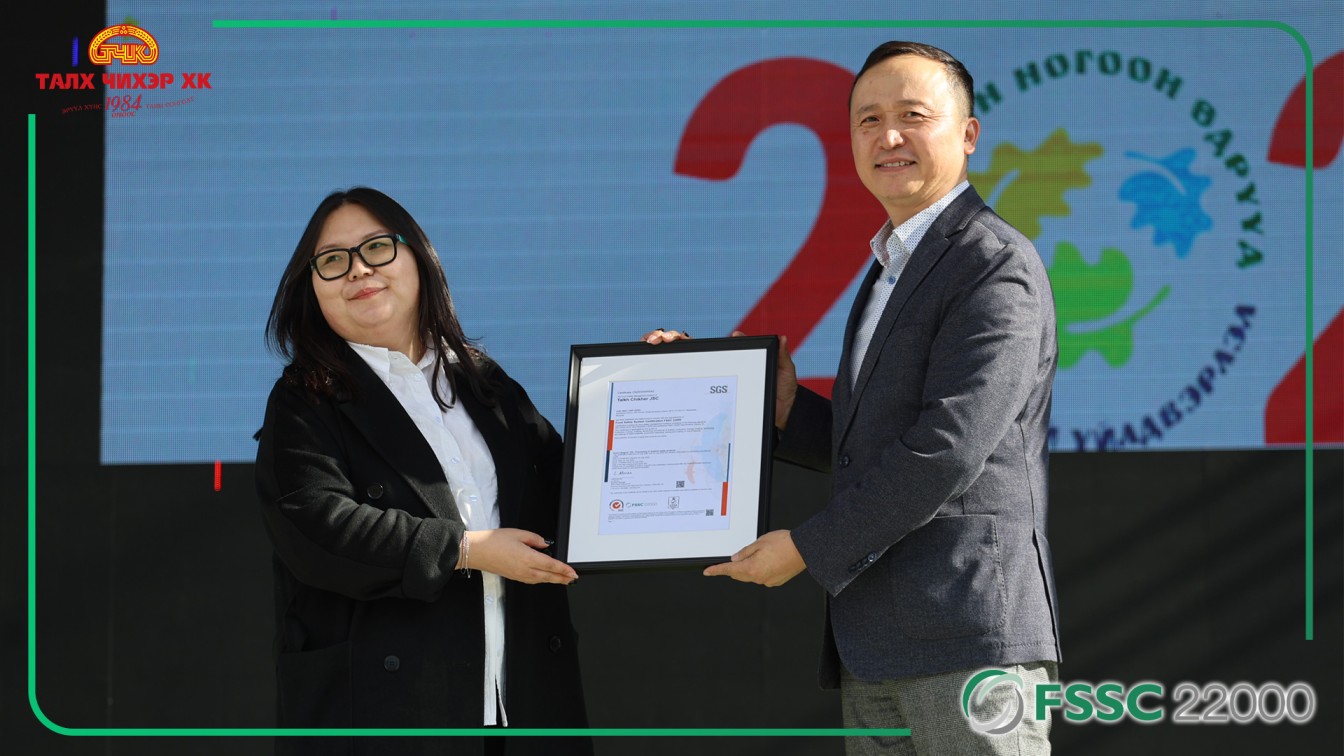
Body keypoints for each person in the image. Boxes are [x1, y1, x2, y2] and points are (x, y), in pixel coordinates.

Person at [648, 40, 1060, 754]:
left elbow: (947, 449)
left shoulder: (993, 264)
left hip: (965, 636)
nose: (887, 136)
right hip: (875, 642)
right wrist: (781, 405)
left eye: (912, 116)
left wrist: (808, 548)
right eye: (868, 120)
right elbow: (871, 444)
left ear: (968, 134)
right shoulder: (889, 267)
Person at [255, 187, 592, 756]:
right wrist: (465, 549)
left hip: (525, 710)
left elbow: (573, 492)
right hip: (389, 718)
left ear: (419, 257)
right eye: (333, 260)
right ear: (312, 287)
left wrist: (652, 386)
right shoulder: (302, 402)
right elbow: (316, 524)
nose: (358, 269)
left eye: (376, 247)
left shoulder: (485, 384)